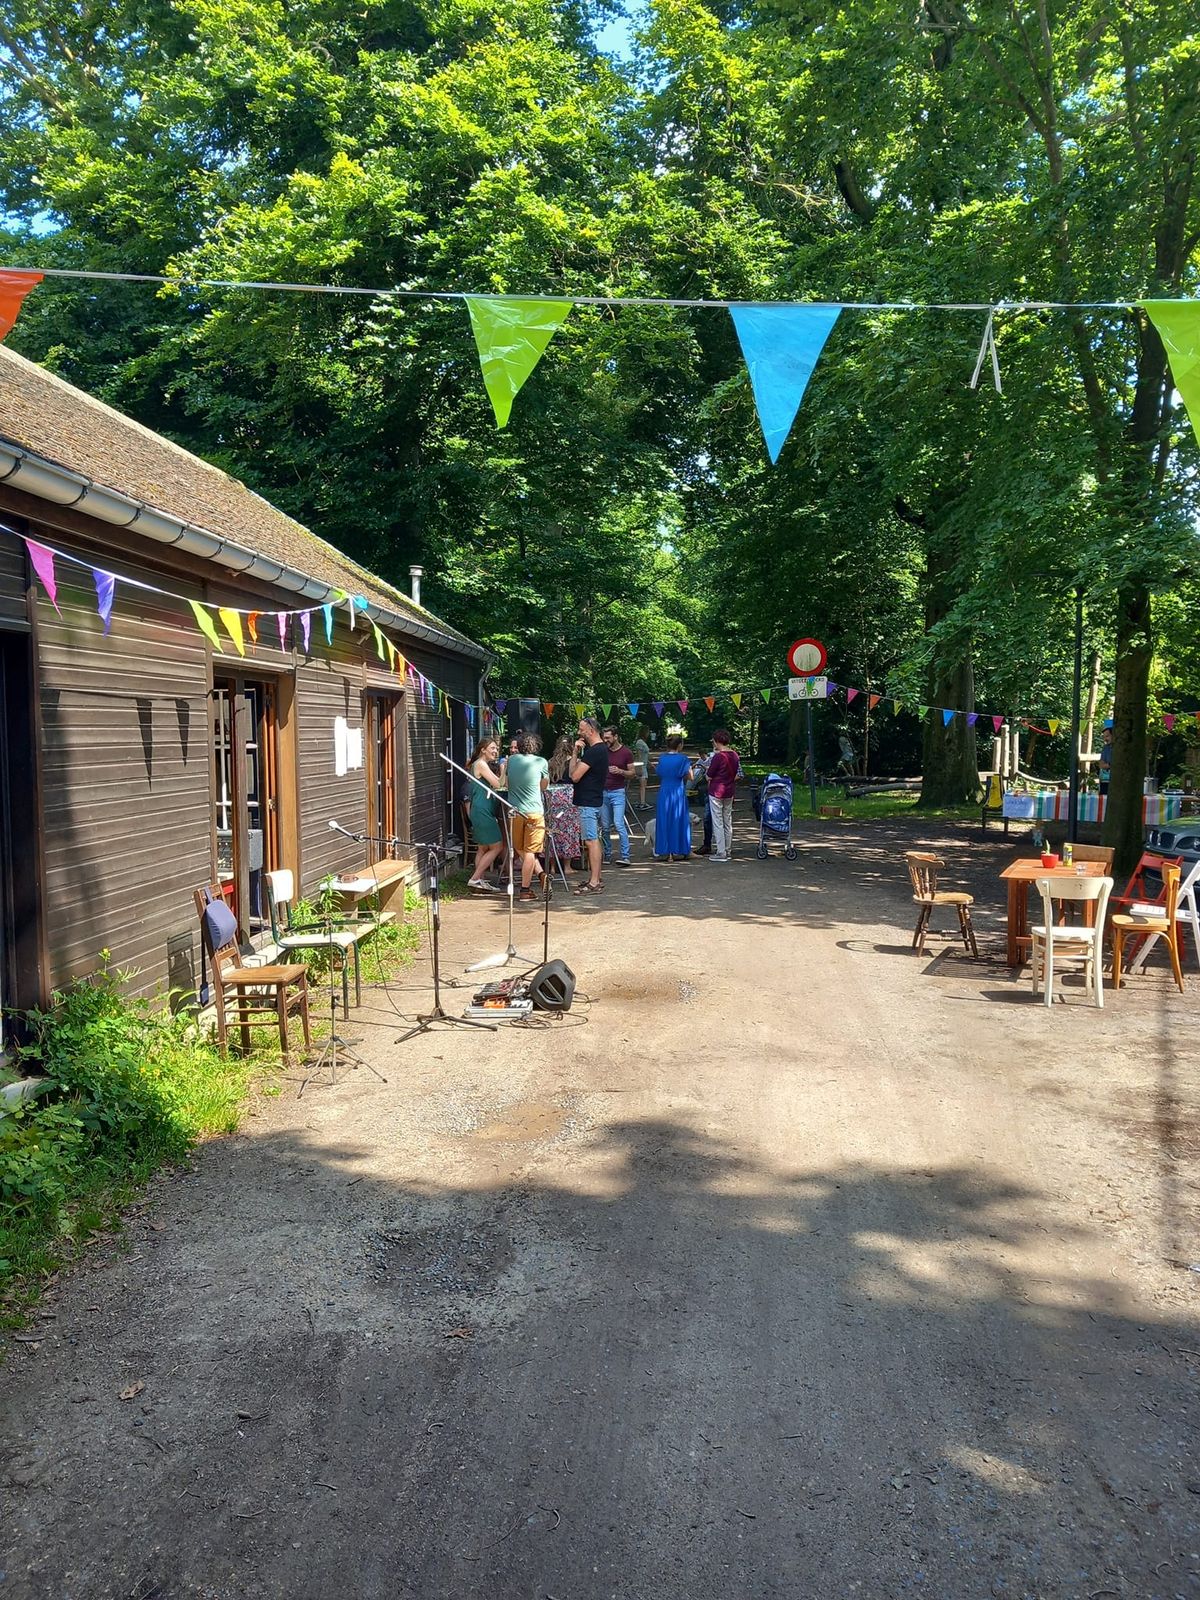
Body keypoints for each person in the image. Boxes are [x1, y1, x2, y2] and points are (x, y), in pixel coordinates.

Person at [505, 731, 550, 901]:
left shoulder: (512, 760)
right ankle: (525, 889)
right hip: (534, 812)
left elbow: (507, 784)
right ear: (536, 746)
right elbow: (544, 787)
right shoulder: (541, 762)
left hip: (515, 812)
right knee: (530, 851)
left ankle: (541, 875)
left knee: (519, 848)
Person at [570, 716, 609, 893]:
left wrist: (578, 756)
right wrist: (575, 753)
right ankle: (595, 878)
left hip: (588, 802)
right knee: (592, 840)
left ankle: (594, 882)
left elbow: (575, 776)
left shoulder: (595, 751)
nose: (579, 732)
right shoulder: (597, 750)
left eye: (582, 729)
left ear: (591, 730)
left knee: (591, 841)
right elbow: (573, 773)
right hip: (591, 800)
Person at [467, 737, 505, 890]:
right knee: (497, 846)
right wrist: (504, 768)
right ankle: (475, 878)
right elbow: (499, 784)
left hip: (481, 809)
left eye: (496, 748)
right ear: (483, 749)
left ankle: (480, 881)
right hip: (482, 811)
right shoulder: (481, 764)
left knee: (482, 848)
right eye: (492, 748)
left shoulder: (482, 765)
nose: (495, 751)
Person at [654, 734, 694, 862]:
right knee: (679, 819)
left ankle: (667, 852)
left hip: (664, 791)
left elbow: (659, 772)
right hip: (677, 790)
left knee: (665, 820)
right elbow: (690, 777)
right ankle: (683, 849)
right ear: (680, 745)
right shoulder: (683, 759)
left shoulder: (662, 758)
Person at [600, 725, 634, 868]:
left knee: (619, 824)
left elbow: (632, 773)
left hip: (618, 791)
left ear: (616, 736)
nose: (605, 740)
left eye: (608, 737)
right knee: (605, 826)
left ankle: (625, 856)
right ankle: (607, 853)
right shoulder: (602, 751)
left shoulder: (626, 752)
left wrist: (620, 771)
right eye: (604, 737)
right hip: (603, 792)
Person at [705, 728, 741, 862]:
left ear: (716, 741)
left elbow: (709, 775)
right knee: (728, 821)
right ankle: (728, 849)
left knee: (718, 822)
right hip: (730, 790)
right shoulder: (735, 755)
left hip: (716, 791)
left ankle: (721, 852)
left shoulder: (718, 756)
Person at [633, 729, 651, 807]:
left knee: (643, 785)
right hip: (641, 766)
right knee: (642, 785)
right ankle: (642, 803)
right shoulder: (640, 742)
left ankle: (641, 801)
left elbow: (645, 756)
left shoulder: (642, 742)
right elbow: (639, 755)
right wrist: (639, 767)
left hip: (644, 764)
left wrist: (650, 763)